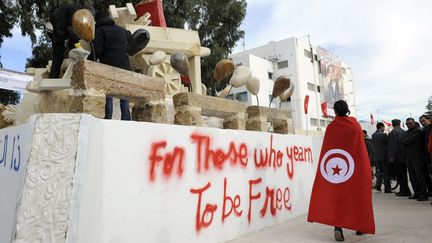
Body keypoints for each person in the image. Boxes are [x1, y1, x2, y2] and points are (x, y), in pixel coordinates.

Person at [308, 100, 375, 241]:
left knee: (339, 198)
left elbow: (328, 150)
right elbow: (360, 149)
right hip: (356, 169)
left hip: (336, 171)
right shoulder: (355, 126)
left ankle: (338, 227)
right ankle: (359, 227)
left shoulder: (332, 127)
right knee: (357, 196)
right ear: (347, 109)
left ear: (336, 111)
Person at [90, 10, 131, 120]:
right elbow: (131, 39)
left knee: (108, 96)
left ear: (96, 20)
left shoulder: (99, 31)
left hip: (109, 67)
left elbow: (97, 51)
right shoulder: (121, 30)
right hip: (125, 67)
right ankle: (126, 122)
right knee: (124, 96)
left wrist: (89, 60)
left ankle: (107, 120)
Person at [46, 4, 86, 78]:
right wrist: (78, 45)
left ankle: (54, 77)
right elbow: (71, 28)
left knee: (59, 55)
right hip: (56, 30)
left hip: (54, 28)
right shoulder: (74, 12)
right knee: (59, 54)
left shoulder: (71, 9)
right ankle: (56, 78)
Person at [402, 118, 428, 201]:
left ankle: (423, 195)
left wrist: (406, 140)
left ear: (414, 123)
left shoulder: (418, 131)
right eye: (407, 124)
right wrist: (405, 140)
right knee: (412, 177)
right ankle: (417, 193)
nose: (408, 125)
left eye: (409, 123)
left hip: (417, 157)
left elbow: (407, 141)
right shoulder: (408, 132)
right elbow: (403, 141)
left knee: (419, 176)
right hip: (409, 158)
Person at [388, 119, 411, 196]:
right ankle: (404, 190)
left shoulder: (393, 132)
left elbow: (393, 146)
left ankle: (404, 191)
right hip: (404, 156)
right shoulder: (404, 131)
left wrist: (392, 157)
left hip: (397, 157)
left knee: (399, 175)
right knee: (403, 174)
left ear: (392, 124)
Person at [372, 122, 391, 192]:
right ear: (381, 127)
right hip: (384, 156)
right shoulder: (384, 135)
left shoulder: (373, 135)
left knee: (379, 172)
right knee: (386, 172)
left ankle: (378, 186)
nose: (384, 129)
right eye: (383, 127)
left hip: (377, 156)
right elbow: (388, 144)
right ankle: (387, 188)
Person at [419, 115, 432, 197]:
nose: (423, 123)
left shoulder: (428, 129)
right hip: (427, 156)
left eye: (424, 121)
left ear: (428, 119)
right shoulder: (425, 130)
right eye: (421, 122)